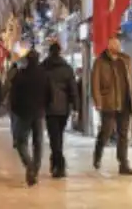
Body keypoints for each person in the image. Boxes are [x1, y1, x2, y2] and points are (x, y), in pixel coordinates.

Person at [91, 33, 132, 175]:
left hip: (125, 103)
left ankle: (123, 163)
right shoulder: (100, 61)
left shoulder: (125, 60)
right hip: (108, 103)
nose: (117, 47)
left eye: (118, 44)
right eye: (114, 44)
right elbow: (95, 82)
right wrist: (98, 101)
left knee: (123, 134)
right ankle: (98, 154)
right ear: (108, 46)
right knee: (106, 131)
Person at [10, 49, 51, 186]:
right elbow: (50, 94)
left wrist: (15, 109)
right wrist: (45, 107)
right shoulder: (44, 75)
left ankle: (29, 165)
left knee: (21, 141)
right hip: (39, 113)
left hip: (23, 113)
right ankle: (35, 168)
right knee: (38, 142)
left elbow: (13, 95)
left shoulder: (20, 75)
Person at [42, 41, 79, 177]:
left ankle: (58, 164)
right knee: (59, 136)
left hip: (50, 107)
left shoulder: (44, 67)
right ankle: (57, 164)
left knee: (54, 137)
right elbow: (73, 89)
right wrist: (75, 107)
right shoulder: (67, 68)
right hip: (64, 108)